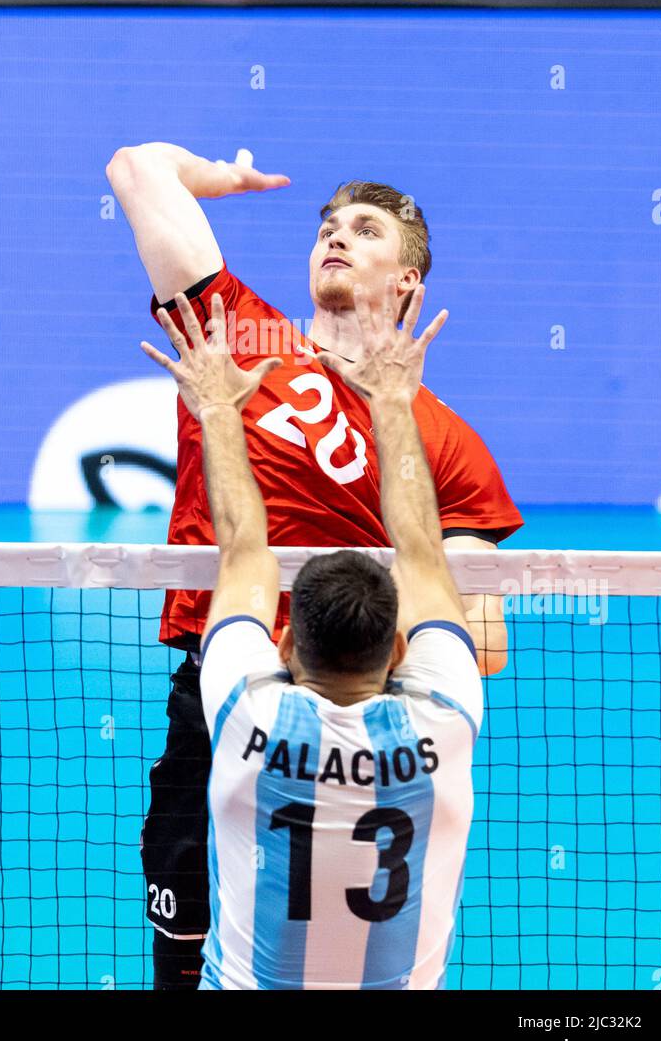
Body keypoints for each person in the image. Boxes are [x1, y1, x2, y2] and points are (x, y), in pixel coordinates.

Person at [106, 139, 522, 989]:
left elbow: (482, 641)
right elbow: (134, 170)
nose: (335, 236)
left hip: (370, 724)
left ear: (408, 281)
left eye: (365, 231)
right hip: (220, 699)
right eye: (327, 226)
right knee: (180, 945)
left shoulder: (446, 443)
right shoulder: (238, 341)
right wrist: (217, 179)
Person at [142, 278, 481, 988]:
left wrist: (217, 408)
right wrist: (395, 401)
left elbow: (241, 548)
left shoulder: (241, 712)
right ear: (397, 650)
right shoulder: (445, 719)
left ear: (286, 643)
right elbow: (421, 549)